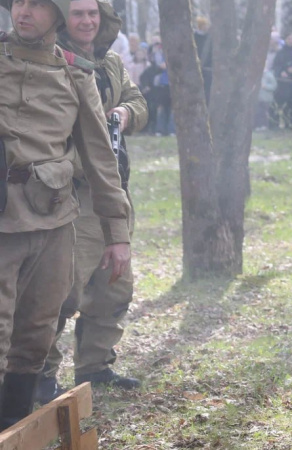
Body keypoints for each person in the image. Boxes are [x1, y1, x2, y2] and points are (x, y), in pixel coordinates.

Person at [0, 0, 132, 428]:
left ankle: (14, 422)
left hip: (55, 220)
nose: (24, 12)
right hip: (2, 220)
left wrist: (117, 233)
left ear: (56, 15)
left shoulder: (77, 73)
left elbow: (100, 159)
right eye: (19, 2)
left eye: (37, 5)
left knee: (37, 331)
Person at [34, 0, 148, 405]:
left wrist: (124, 112)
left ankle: (95, 366)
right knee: (61, 293)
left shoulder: (111, 62)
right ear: (65, 18)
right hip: (73, 195)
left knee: (114, 288)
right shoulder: (52, 60)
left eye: (93, 14)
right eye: (79, 14)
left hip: (114, 191)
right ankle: (39, 378)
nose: (87, 21)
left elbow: (140, 103)